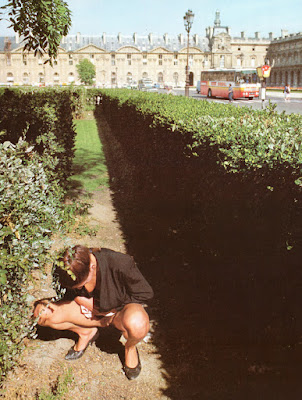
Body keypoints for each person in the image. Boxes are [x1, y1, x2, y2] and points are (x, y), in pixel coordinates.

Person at [33, 245, 154, 380]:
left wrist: (108, 308)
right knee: (41, 313)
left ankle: (130, 348)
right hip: (90, 312)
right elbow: (66, 295)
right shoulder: (64, 266)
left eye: (83, 284)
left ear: (92, 266)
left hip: (118, 313)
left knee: (138, 324)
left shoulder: (120, 263)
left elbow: (145, 294)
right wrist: (82, 301)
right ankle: (85, 332)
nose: (82, 288)